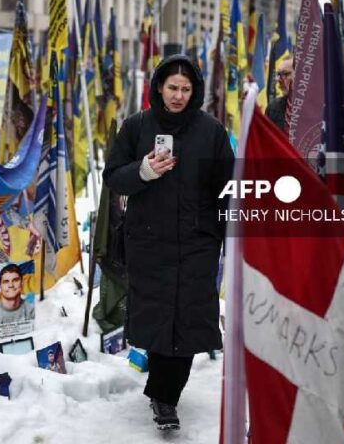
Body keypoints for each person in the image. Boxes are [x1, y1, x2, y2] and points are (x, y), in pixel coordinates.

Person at [103, 54, 234, 431]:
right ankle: (164, 397)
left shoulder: (211, 131)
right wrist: (143, 172)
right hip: (150, 242)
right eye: (172, 87)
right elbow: (113, 176)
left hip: (197, 243)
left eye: (185, 89)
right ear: (158, 87)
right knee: (161, 318)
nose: (178, 95)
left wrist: (232, 237)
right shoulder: (136, 127)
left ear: (195, 92)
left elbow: (227, 188)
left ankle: (165, 394)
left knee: (189, 320)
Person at [265, 55, 293, 132]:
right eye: (279, 75)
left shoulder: (312, 108)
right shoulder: (273, 108)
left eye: (286, 74)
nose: (279, 80)